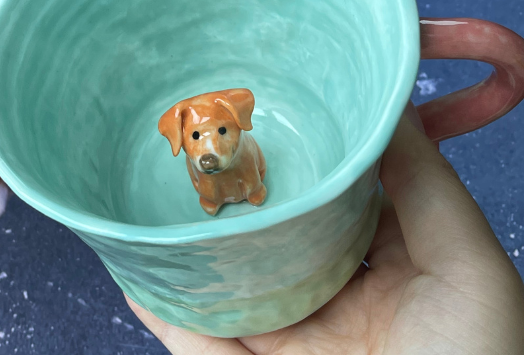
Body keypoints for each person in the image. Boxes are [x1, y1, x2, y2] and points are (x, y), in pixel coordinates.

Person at [127, 103, 524, 355]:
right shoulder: (195, 160)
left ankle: (251, 189)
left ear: (239, 124)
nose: (208, 146)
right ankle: (216, 199)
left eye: (221, 131)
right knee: (210, 190)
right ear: (180, 137)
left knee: (250, 181)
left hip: (336, 271)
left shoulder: (246, 147)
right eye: (196, 136)